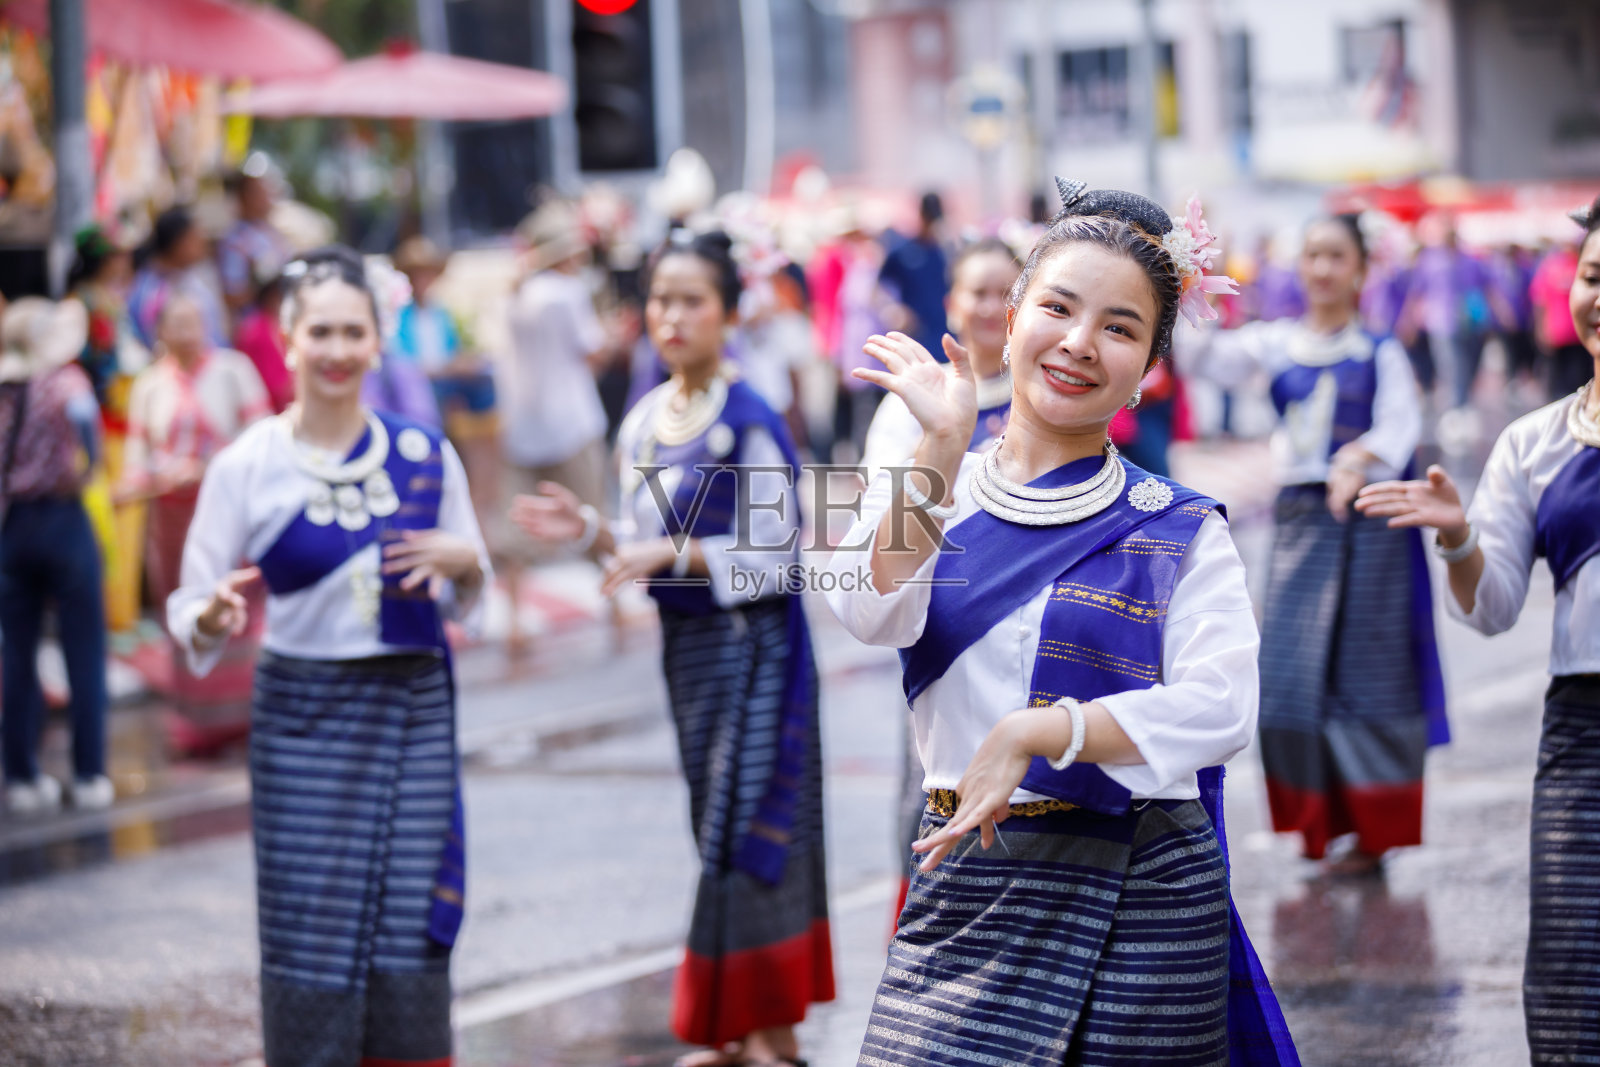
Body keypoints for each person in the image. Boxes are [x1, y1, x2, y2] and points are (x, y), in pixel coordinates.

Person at [822, 179, 1296, 1064]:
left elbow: (1222, 706)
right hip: (974, 879)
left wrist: (1044, 731)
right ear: (1012, 321)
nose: (1079, 342)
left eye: (1119, 327)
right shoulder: (938, 487)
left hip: (1143, 896)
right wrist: (939, 450)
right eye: (1058, 308)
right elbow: (867, 608)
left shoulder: (1180, 527)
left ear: (1148, 368)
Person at [510, 230, 834, 1067]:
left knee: (755, 825)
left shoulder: (751, 419)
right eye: (661, 300)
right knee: (711, 824)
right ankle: (737, 1031)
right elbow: (636, 543)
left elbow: (777, 555)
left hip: (757, 645)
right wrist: (588, 529)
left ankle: (774, 1032)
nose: (673, 317)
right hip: (688, 649)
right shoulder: (645, 422)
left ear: (728, 312)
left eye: (693, 300)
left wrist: (681, 554)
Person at [167, 245, 489, 1066]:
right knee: (308, 922)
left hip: (411, 707)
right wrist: (209, 616)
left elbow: (470, 594)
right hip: (298, 716)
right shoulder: (248, 464)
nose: (338, 350)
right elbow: (190, 607)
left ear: (378, 341)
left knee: (409, 913)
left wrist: (467, 566)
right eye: (321, 332)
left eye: (354, 332)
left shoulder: (423, 454)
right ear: (288, 339)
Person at [1356, 194, 1600, 1067]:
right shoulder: (1535, 443)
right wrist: (1459, 539)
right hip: (1584, 734)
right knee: (1575, 983)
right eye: (1594, 277)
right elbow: (1489, 606)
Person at [1198, 214, 1445, 876]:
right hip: (1301, 522)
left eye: (1337, 256)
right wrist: (1187, 286)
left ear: (1361, 269)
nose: (1323, 268)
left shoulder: (1379, 351)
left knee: (1369, 676)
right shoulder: (1277, 343)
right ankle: (1320, 822)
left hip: (1369, 525)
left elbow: (1399, 425)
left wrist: (1357, 458)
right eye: (1312, 255)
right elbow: (1202, 358)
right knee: (1289, 673)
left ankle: (1373, 833)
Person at [857, 236, 1021, 920]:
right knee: (931, 782)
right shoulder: (912, 402)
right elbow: (881, 529)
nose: (988, 306)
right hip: (942, 617)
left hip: (1028, 618)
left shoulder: (1046, 395)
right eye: (976, 291)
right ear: (952, 302)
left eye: (1004, 292)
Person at [0, 297, 113, 814]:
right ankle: (89, 774)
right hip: (63, 520)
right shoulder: (64, 381)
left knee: (17, 656)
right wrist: (89, 467)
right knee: (83, 652)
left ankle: (22, 776)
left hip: (13, 527)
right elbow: (86, 419)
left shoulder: (5, 390)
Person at [127, 206, 227, 351]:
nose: (202, 243)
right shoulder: (149, 291)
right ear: (178, 243)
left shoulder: (196, 277)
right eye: (195, 238)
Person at [215, 158, 291, 320]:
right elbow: (231, 296)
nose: (267, 197)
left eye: (268, 191)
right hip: (255, 325)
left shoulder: (271, 232)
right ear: (243, 197)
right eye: (259, 192)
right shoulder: (235, 241)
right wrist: (263, 287)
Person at [877, 191, 950, 358]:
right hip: (915, 333)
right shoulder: (903, 251)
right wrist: (892, 309)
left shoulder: (945, 252)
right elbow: (879, 286)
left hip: (944, 331)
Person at [233, 274, 293, 414]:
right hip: (267, 407)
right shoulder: (254, 330)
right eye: (276, 293)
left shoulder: (279, 322)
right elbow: (270, 384)